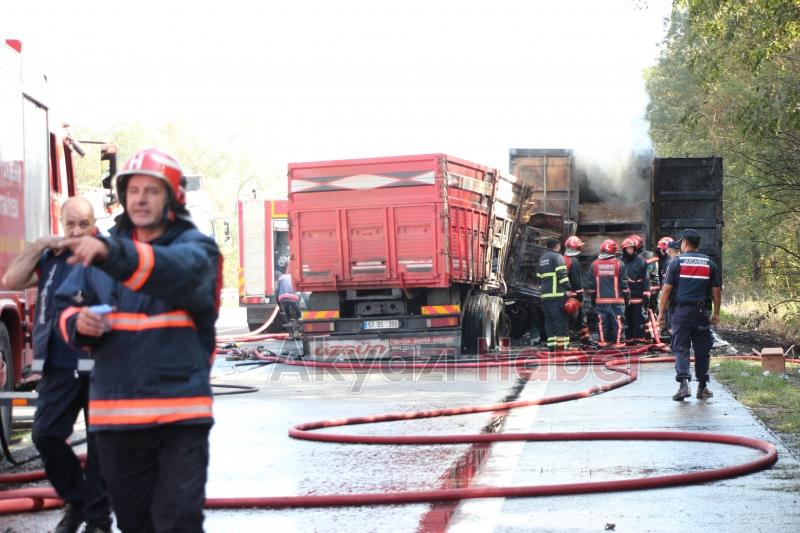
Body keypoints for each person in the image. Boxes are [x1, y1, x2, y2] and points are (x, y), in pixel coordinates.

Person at [53, 148, 222, 532]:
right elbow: (63, 308)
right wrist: (77, 323)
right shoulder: (102, 252)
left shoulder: (196, 250)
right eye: (133, 190)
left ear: (173, 198)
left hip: (179, 417)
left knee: (177, 522)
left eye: (152, 190)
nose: (141, 199)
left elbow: (171, 271)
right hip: (117, 420)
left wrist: (112, 253)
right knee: (135, 526)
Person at [1, 198, 112, 533]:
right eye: (71, 224)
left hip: (103, 365)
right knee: (45, 435)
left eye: (84, 224)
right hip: (59, 364)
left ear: (94, 222)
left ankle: (97, 521)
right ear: (61, 223)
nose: (77, 231)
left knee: (101, 446)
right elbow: (12, 279)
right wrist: (39, 245)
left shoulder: (109, 254)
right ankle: (77, 501)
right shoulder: (51, 256)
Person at [657, 229, 721, 401]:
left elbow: (666, 291)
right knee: (702, 351)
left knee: (681, 348)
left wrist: (660, 314)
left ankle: (684, 385)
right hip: (701, 313)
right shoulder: (709, 263)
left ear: (684, 243)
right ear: (697, 244)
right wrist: (716, 313)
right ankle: (702, 387)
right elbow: (716, 291)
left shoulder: (676, 262)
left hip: (681, 313)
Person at [586, 239, 629, 349]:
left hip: (600, 300)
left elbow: (591, 286)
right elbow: (624, 284)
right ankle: (618, 342)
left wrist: (593, 300)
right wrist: (627, 298)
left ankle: (603, 342)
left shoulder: (594, 264)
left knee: (602, 322)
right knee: (618, 322)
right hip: (617, 300)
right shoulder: (619, 264)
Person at [536, 238, 572, 351]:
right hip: (557, 295)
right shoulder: (557, 257)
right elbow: (562, 275)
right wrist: (569, 288)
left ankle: (551, 346)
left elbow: (538, 279)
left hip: (545, 296)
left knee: (549, 321)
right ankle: (562, 347)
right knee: (560, 321)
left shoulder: (541, 259)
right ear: (557, 246)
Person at [620, 236, 650, 343]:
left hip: (638, 294)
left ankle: (640, 339)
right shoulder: (620, 261)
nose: (630, 250)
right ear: (624, 249)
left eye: (632, 248)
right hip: (625, 296)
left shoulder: (641, 260)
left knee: (638, 318)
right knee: (627, 319)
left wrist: (646, 293)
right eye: (628, 248)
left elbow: (646, 278)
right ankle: (629, 339)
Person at [562, 236, 590, 342]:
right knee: (581, 316)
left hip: (562, 294)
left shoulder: (562, 259)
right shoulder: (574, 261)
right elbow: (576, 280)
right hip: (573, 294)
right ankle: (585, 338)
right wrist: (580, 295)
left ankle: (570, 335)